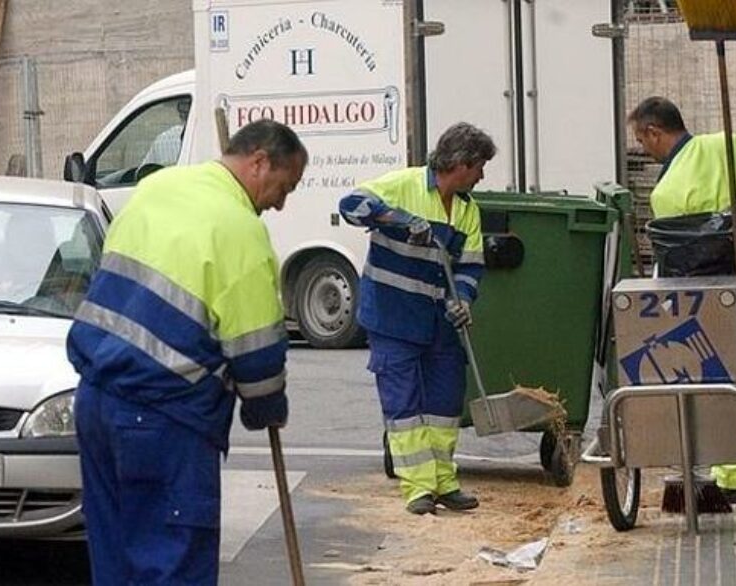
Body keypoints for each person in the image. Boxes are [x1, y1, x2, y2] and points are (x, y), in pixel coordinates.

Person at [67, 119, 307, 585]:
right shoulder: (240, 231)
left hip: (96, 402)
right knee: (172, 563)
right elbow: (258, 359)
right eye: (285, 186)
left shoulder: (159, 187)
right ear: (259, 162)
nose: (280, 203)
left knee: (116, 558)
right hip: (163, 421)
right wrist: (267, 409)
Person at [629, 96, 736, 504]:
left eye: (642, 141)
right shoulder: (732, 144)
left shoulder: (666, 192)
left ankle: (731, 473)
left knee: (719, 370)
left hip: (710, 293)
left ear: (654, 132)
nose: (644, 149)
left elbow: (676, 259)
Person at [339, 122, 496, 515]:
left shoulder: (466, 210)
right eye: (479, 167)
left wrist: (463, 299)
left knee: (445, 404)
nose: (482, 175)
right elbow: (350, 205)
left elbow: (471, 266)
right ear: (461, 163)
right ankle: (418, 489)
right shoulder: (404, 185)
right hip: (393, 318)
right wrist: (399, 219)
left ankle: (444, 482)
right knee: (404, 405)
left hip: (439, 323)